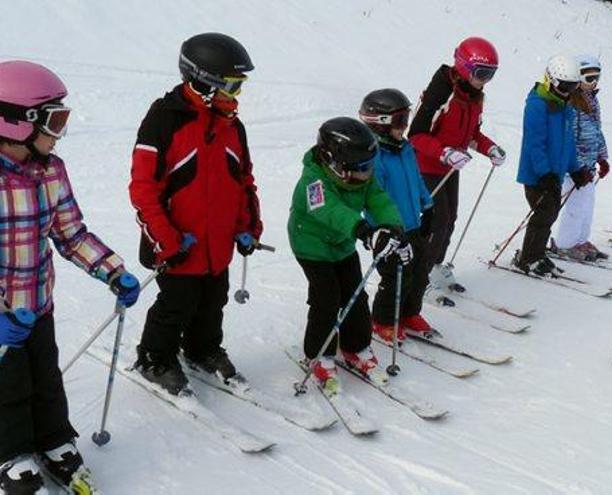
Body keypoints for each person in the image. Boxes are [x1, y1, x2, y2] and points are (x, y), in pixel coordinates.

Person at [0, 61, 140, 494]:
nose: (59, 132)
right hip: (3, 317)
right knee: (8, 386)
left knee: (46, 376)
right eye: (53, 120)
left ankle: (54, 438)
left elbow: (70, 233)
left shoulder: (50, 170)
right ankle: (10, 452)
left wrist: (114, 271)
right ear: (18, 122)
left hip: (38, 304)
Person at [129, 33, 263, 396]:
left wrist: (247, 226)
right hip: (178, 244)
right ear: (202, 81)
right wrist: (166, 239)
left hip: (217, 242)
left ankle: (202, 350)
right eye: (231, 85)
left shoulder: (232, 126)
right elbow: (143, 188)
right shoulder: (164, 119)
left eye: (239, 86)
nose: (235, 95)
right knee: (176, 305)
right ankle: (155, 357)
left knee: (213, 301)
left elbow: (243, 181)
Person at [288, 117, 406, 389]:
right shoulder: (313, 181)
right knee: (326, 299)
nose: (367, 173)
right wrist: (363, 229)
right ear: (335, 163)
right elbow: (330, 210)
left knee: (355, 293)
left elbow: (377, 198)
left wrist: (392, 227)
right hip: (312, 246)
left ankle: (356, 346)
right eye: (361, 168)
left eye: (369, 167)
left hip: (342, 244)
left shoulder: (360, 174)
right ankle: (318, 354)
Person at [409, 36, 504, 294]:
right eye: (481, 73)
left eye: (491, 75)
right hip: (427, 167)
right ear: (463, 66)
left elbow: (472, 134)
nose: (484, 80)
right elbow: (415, 135)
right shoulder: (441, 92)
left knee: (450, 219)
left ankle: (435, 266)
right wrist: (444, 153)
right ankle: (419, 276)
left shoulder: (474, 96)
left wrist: (489, 148)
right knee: (436, 223)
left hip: (450, 167)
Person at [358, 89, 436, 342]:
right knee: (395, 277)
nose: (405, 127)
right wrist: (381, 229)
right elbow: (372, 198)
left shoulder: (404, 148)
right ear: (380, 124)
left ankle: (410, 312)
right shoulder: (373, 157)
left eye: (406, 119)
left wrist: (428, 205)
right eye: (400, 121)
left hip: (413, 224)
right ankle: (382, 319)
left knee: (420, 272)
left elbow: (417, 179)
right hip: (391, 231)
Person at [514, 55, 592, 276]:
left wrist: (575, 169)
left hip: (555, 173)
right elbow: (534, 143)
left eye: (572, 86)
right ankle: (528, 258)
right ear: (551, 80)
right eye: (564, 85)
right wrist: (544, 172)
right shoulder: (537, 104)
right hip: (537, 174)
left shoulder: (564, 104)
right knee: (543, 213)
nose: (568, 91)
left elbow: (567, 143)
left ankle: (537, 254)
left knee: (550, 213)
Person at [553, 54, 611, 262]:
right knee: (576, 208)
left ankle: (580, 240)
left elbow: (597, 132)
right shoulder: (571, 103)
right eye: (589, 78)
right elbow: (568, 138)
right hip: (575, 169)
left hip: (589, 166)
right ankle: (565, 244)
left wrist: (602, 158)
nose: (594, 82)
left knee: (587, 207)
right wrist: (576, 166)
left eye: (597, 77)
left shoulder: (593, 101)